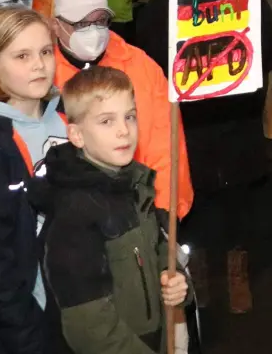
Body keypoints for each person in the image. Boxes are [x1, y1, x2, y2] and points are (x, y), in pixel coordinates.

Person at [33, 68, 190, 354]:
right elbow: (90, 327)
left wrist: (177, 279)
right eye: (106, 121)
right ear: (77, 135)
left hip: (153, 339)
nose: (124, 130)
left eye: (130, 116)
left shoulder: (134, 184)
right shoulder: (75, 215)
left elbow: (156, 249)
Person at [0, 6, 65, 354]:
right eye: (22, 56)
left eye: (45, 52)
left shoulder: (69, 119)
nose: (39, 65)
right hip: (35, 312)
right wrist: (24, 333)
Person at [50, 0, 193, 219]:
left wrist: (164, 213)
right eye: (81, 23)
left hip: (139, 212)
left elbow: (166, 147)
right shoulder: (43, 75)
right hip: (71, 221)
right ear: (57, 26)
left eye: (100, 21)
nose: (93, 31)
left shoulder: (141, 68)